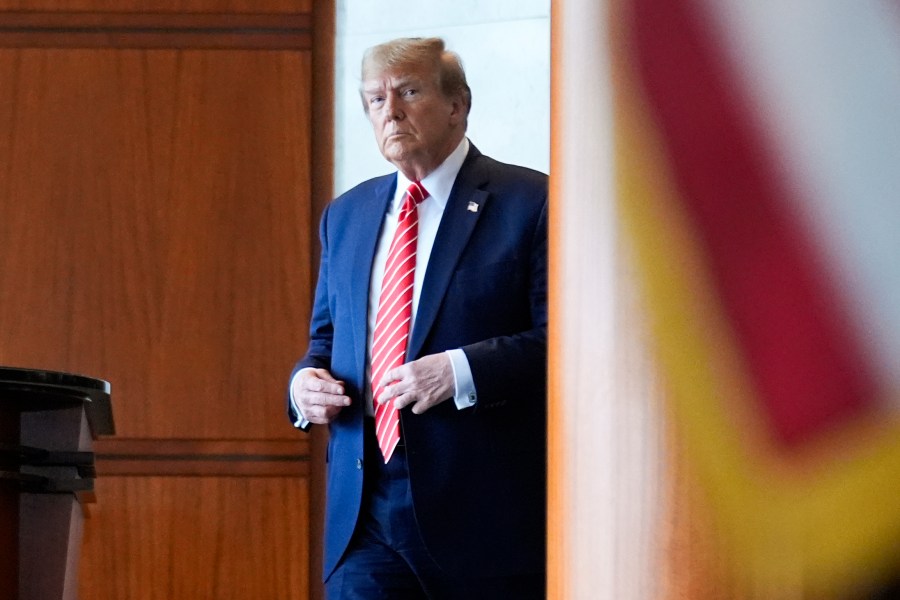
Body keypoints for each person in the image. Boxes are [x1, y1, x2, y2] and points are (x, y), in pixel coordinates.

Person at [288, 37, 547, 599]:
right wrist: (303, 385)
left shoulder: (532, 202)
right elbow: (325, 340)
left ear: (457, 105)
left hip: (482, 518)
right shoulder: (347, 215)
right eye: (375, 100)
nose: (391, 112)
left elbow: (565, 343)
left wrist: (458, 372)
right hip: (365, 516)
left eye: (408, 91)